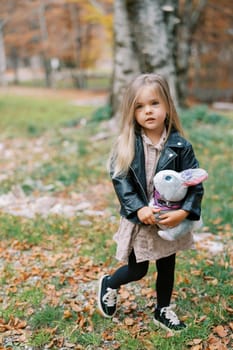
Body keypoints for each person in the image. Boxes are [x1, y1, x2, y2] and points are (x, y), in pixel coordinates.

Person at [97, 73, 204, 332]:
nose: (148, 111)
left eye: (154, 103)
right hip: (142, 220)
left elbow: (195, 182)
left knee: (167, 266)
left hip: (169, 221)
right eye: (140, 106)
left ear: (167, 105)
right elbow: (121, 182)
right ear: (131, 112)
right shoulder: (126, 144)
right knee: (138, 269)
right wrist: (139, 208)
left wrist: (184, 213)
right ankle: (110, 283)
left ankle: (162, 309)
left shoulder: (180, 146)